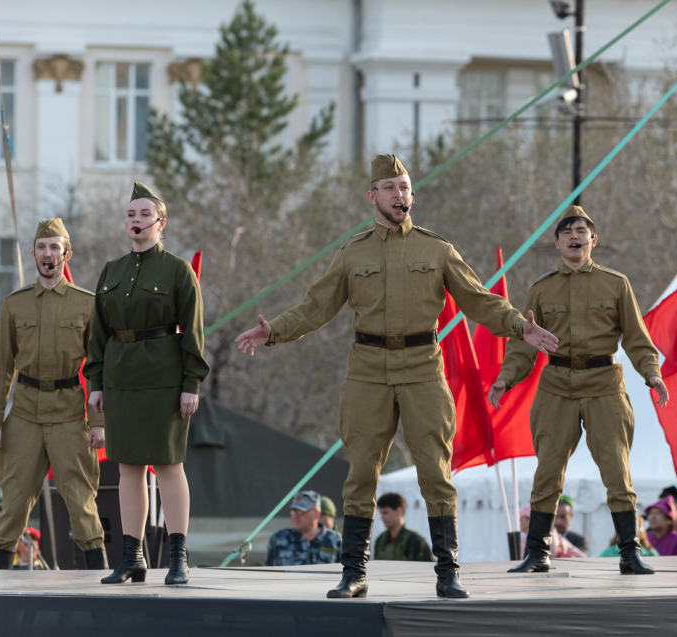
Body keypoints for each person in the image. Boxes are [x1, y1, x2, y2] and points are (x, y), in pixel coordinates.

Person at [235, 154, 557, 599]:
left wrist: (521, 326)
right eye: (390, 188)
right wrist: (273, 332)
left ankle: (447, 572)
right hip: (367, 369)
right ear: (373, 197)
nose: (400, 195)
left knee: (435, 472)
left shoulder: (436, 249)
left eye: (405, 187)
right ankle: (353, 573)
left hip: (424, 366)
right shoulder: (353, 252)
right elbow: (316, 307)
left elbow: (480, 301)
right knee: (362, 473)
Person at [490, 205, 669, 577]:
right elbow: (524, 343)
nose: (575, 236)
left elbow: (637, 338)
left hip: (605, 384)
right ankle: (537, 553)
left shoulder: (616, 284)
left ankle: (629, 553)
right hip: (556, 386)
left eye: (582, 231)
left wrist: (652, 373)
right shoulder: (541, 289)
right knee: (547, 472)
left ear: (593, 240)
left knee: (618, 472)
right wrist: (506, 378)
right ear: (557, 243)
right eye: (568, 231)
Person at [85, 183, 209, 586]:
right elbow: (99, 334)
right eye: (130, 214)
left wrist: (191, 382)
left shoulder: (177, 270)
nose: (135, 220)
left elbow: (192, 331)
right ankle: (131, 557)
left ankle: (177, 557)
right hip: (121, 380)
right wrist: (97, 383)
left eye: (143, 214)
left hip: (164, 379)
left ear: (161, 223)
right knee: (128, 469)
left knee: (170, 466)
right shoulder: (112, 271)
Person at [0, 218, 107, 571]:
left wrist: (98, 422)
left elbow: (98, 367)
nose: (47, 253)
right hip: (23, 415)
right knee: (13, 506)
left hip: (70, 415)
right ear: (33, 254)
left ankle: (105, 597)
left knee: (82, 505)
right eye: (42, 247)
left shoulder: (87, 304)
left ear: (67, 254)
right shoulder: (14, 304)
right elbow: (1, 366)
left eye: (55, 247)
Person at [265, 491, 341, 566]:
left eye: (301, 512)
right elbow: (269, 573)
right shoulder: (278, 539)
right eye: (293, 511)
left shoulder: (335, 540)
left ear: (316, 514)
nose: (295, 516)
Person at [374, 492, 433, 562]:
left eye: (385, 512)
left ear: (399, 511)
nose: (382, 517)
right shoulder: (380, 540)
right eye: (381, 513)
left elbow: (430, 568)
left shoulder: (416, 541)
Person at [519, 506, 584, 559]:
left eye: (522, 517)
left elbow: (552, 553)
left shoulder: (550, 533)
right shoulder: (526, 537)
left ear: (531, 519)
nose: (520, 520)